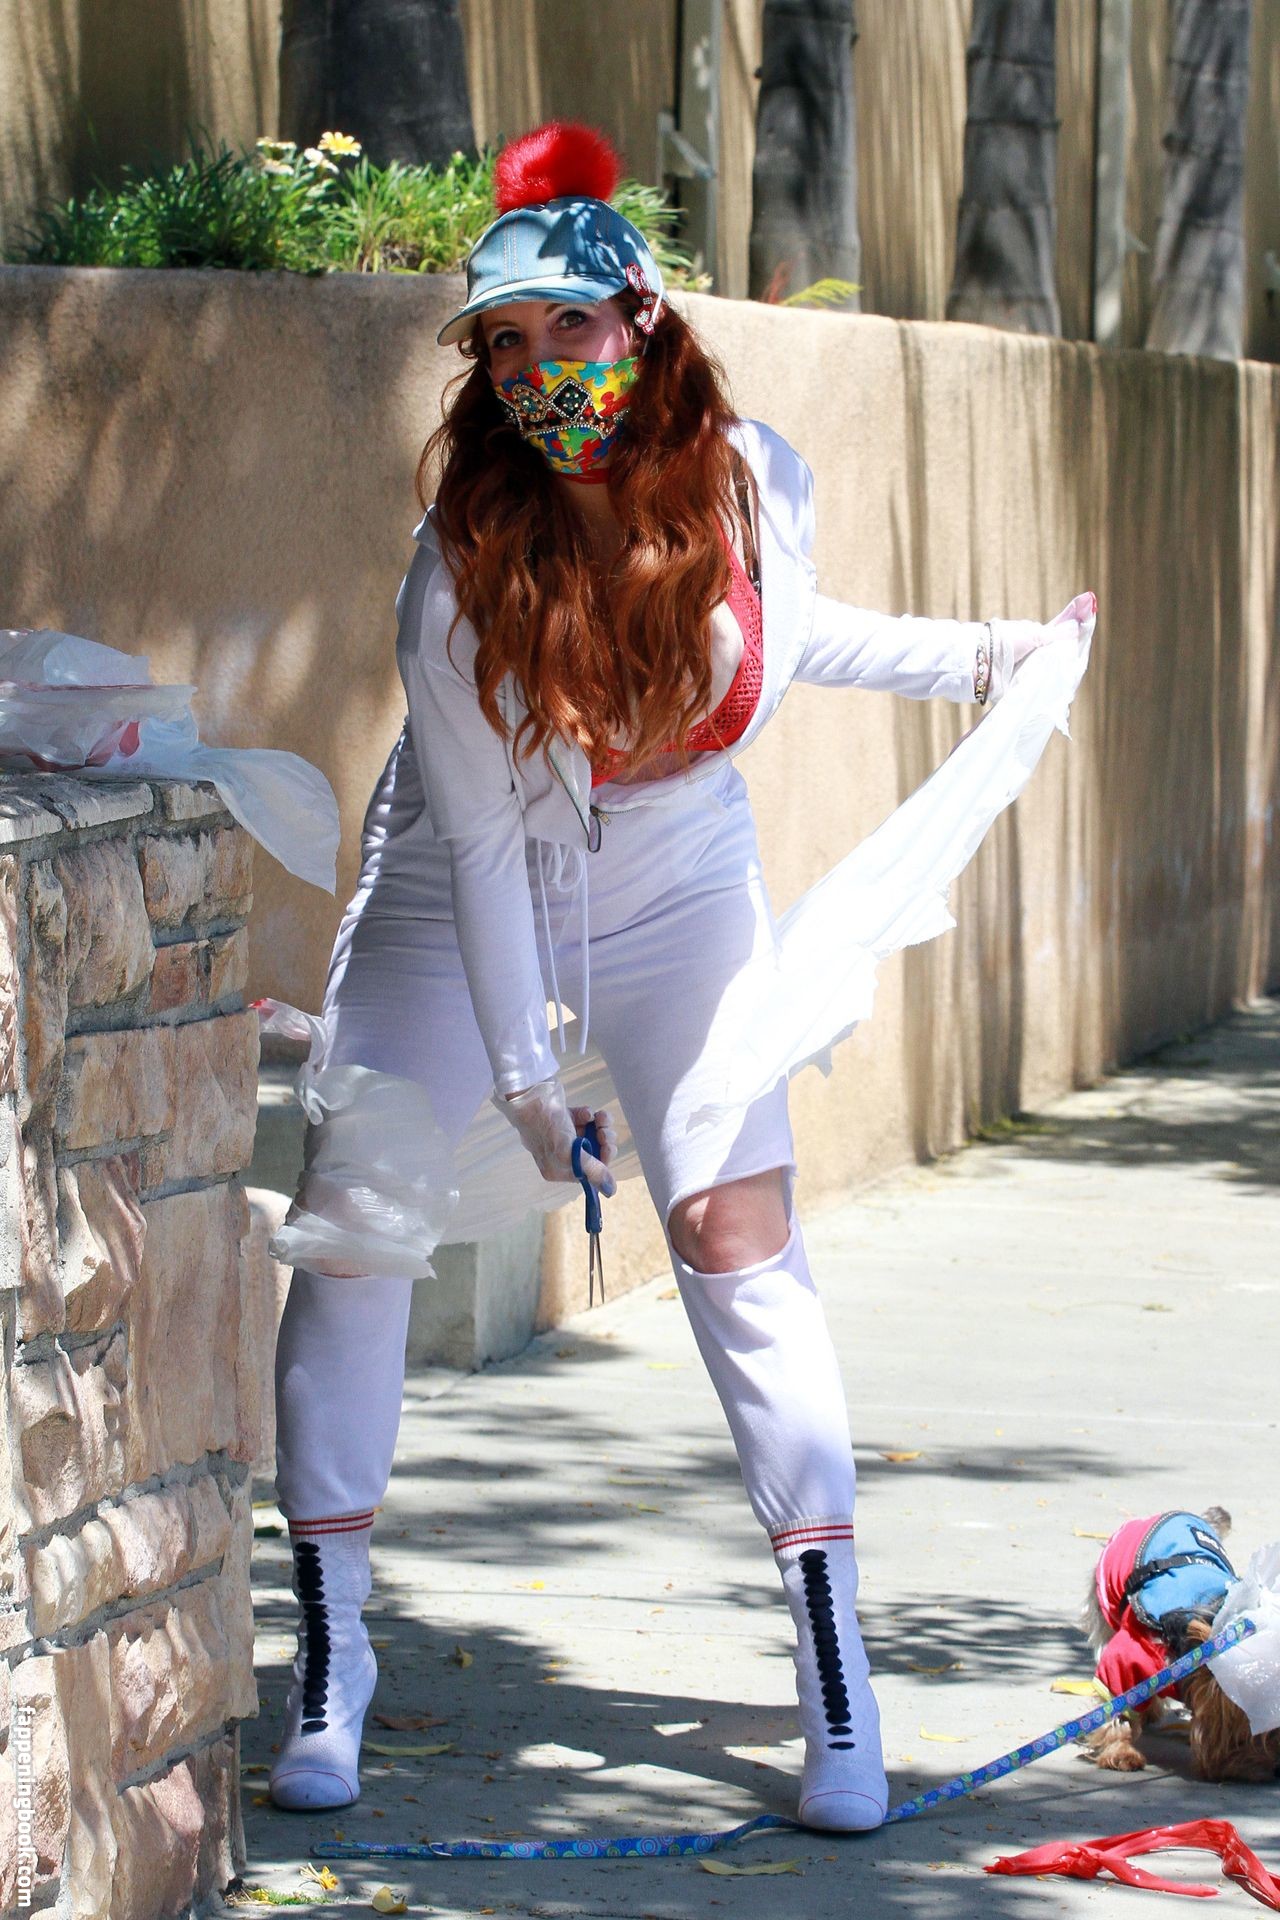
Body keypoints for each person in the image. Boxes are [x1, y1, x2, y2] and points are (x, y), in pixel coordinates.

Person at [267, 121, 1095, 1829]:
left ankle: (835, 1677)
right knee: (357, 1221)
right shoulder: (456, 576)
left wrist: (991, 658)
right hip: (454, 888)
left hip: (680, 884)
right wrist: (522, 1081)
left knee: (736, 1235)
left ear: (642, 321)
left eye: (567, 326)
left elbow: (785, 636)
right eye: (506, 343)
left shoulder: (752, 482)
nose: (537, 370)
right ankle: (332, 1656)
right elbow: (478, 847)